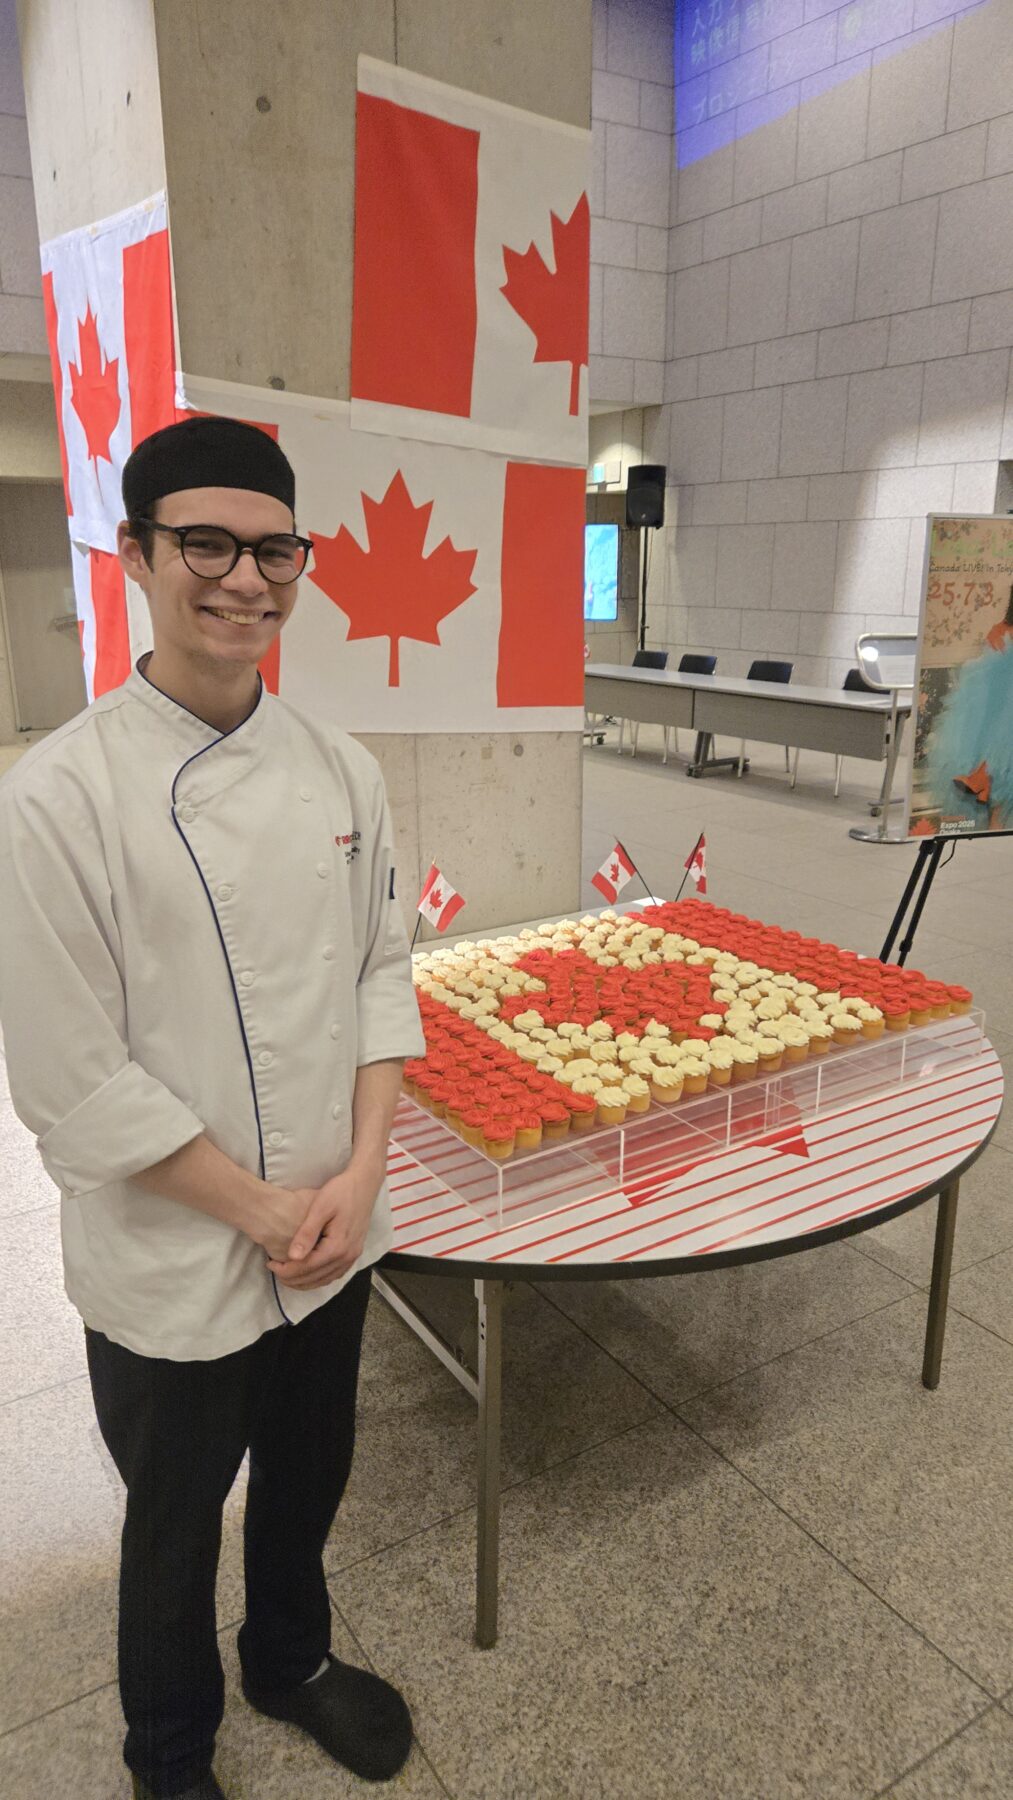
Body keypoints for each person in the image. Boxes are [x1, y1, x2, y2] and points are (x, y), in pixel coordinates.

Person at [0, 416, 425, 1800]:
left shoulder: (341, 767)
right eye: (207, 544)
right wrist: (262, 1212)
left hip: (331, 1226)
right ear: (135, 554)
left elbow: (376, 974)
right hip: (180, 1251)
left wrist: (357, 1178)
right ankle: (168, 1751)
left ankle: (290, 1659)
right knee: (173, 1521)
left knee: (307, 1478)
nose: (246, 579)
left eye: (274, 549)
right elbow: (70, 1078)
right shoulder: (57, 796)